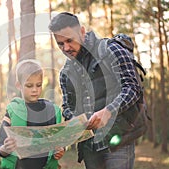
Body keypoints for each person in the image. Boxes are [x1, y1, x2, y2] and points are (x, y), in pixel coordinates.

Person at [49, 12, 146, 169]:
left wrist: (108, 112)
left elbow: (133, 87)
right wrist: (75, 122)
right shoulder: (65, 73)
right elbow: (67, 108)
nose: (66, 48)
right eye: (60, 44)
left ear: (82, 31)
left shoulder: (111, 49)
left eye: (69, 40)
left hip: (119, 141)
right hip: (89, 148)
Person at [0, 59, 65, 169]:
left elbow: (59, 143)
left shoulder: (51, 111)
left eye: (38, 85)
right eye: (29, 86)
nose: (35, 90)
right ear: (19, 85)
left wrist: (60, 151)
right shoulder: (13, 112)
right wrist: (6, 148)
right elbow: (1, 148)